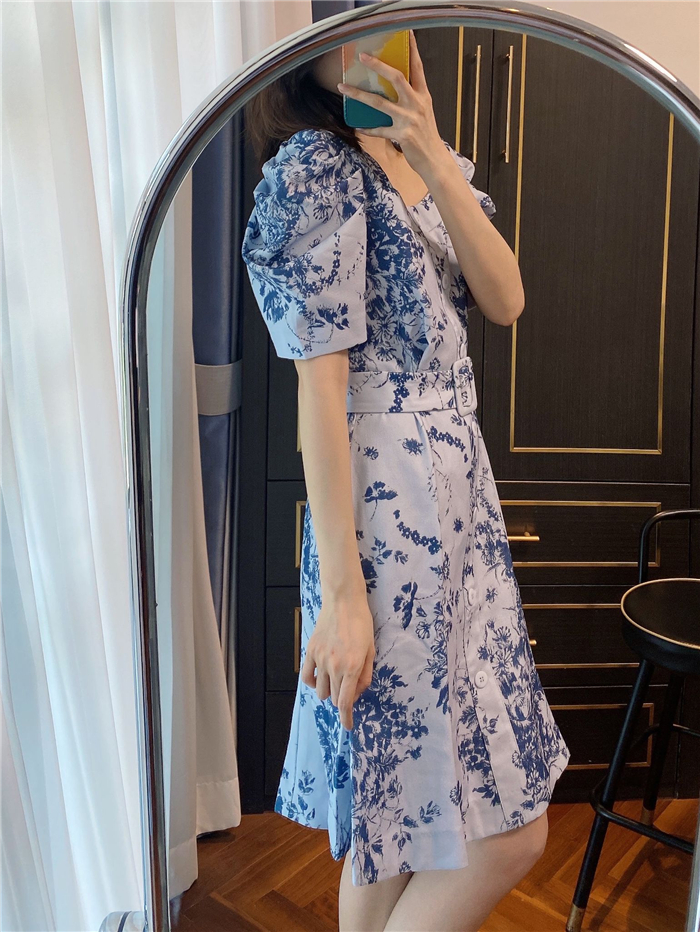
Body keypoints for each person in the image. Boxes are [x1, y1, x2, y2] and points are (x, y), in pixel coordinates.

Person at [241, 29, 570, 932]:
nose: (369, 45)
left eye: (386, 20)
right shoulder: (317, 170)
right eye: (342, 29)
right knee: (499, 833)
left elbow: (505, 297)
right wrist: (344, 598)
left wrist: (426, 148)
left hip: (463, 513)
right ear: (302, 53)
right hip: (387, 526)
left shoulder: (426, 160)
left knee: (396, 822)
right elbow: (320, 391)